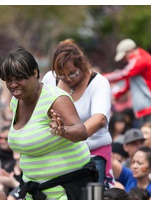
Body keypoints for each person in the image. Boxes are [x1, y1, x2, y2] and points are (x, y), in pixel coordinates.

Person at [1, 48, 95, 200]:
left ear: (35, 73)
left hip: (66, 192)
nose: (13, 84)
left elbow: (81, 131)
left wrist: (62, 131)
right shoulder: (16, 102)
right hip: (37, 194)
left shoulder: (55, 98)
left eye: (18, 78)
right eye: (8, 80)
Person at [41, 39, 113, 187]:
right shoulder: (49, 79)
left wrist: (70, 133)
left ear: (82, 66)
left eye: (72, 74)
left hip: (93, 154)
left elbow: (99, 119)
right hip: (59, 155)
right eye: (61, 75)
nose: (67, 79)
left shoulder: (99, 83)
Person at [105, 39, 151, 137]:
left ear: (130, 51)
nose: (123, 60)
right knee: (148, 141)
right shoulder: (137, 62)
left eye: (124, 57)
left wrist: (99, 77)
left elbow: (123, 74)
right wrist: (116, 96)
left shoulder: (141, 59)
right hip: (148, 109)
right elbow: (128, 84)